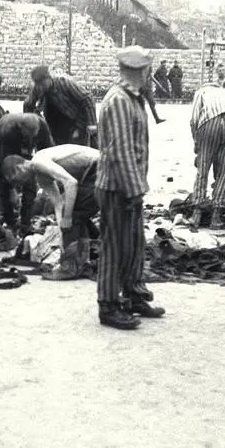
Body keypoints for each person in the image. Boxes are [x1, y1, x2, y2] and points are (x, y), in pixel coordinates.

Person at [96, 46, 164, 330]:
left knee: (134, 243)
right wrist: (135, 191)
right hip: (117, 186)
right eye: (148, 70)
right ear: (141, 71)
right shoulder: (120, 101)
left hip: (128, 183)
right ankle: (109, 305)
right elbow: (121, 151)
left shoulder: (131, 97)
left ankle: (134, 294)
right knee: (115, 246)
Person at [1, 145, 100, 279]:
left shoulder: (38, 161)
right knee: (74, 214)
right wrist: (62, 232)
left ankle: (70, 268)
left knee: (74, 214)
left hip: (98, 166)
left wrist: (67, 217)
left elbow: (71, 183)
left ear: (19, 168)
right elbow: (58, 204)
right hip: (93, 171)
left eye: (15, 180)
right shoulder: (42, 178)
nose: (19, 184)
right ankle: (81, 261)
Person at [0, 113, 55, 233]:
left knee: (30, 184)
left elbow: (48, 151)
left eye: (33, 136)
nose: (30, 139)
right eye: (27, 136)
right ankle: (10, 222)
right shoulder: (7, 130)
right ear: (20, 128)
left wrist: (49, 175)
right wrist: (12, 190)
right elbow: (3, 164)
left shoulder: (42, 126)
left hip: (22, 154)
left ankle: (25, 224)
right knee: (3, 189)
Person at [189, 78, 225, 228]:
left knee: (203, 167)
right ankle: (216, 216)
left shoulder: (201, 92)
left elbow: (193, 119)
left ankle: (197, 214)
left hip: (209, 123)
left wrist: (196, 142)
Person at [23, 66, 97, 147]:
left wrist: (92, 124)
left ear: (49, 78)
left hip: (75, 122)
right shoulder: (37, 88)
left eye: (43, 83)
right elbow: (28, 105)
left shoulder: (64, 82)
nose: (41, 87)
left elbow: (87, 99)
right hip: (54, 126)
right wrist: (32, 127)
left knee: (73, 150)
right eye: (38, 84)